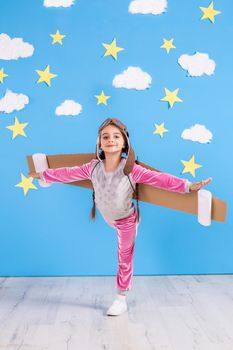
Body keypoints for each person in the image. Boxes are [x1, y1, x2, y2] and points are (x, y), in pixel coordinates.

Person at [28, 118, 212, 316]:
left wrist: (187, 186)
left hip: (125, 220)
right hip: (107, 215)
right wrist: (44, 175)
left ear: (124, 142)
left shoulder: (131, 169)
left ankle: (120, 298)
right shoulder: (92, 167)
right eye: (105, 137)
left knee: (124, 256)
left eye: (116, 136)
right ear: (99, 143)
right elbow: (68, 173)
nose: (111, 140)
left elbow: (161, 180)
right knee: (119, 245)